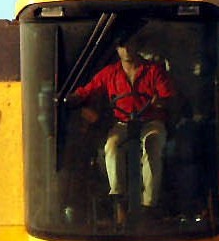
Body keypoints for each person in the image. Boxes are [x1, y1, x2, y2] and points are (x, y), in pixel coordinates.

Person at [65, 33, 176, 221]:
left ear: (136, 46)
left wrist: (161, 102)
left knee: (152, 143)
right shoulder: (109, 73)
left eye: (130, 44)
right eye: (122, 46)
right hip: (123, 123)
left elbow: (169, 97)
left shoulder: (154, 71)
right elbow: (89, 89)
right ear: (117, 49)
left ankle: (148, 205)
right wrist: (74, 98)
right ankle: (119, 200)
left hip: (150, 121)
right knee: (111, 146)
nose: (126, 49)